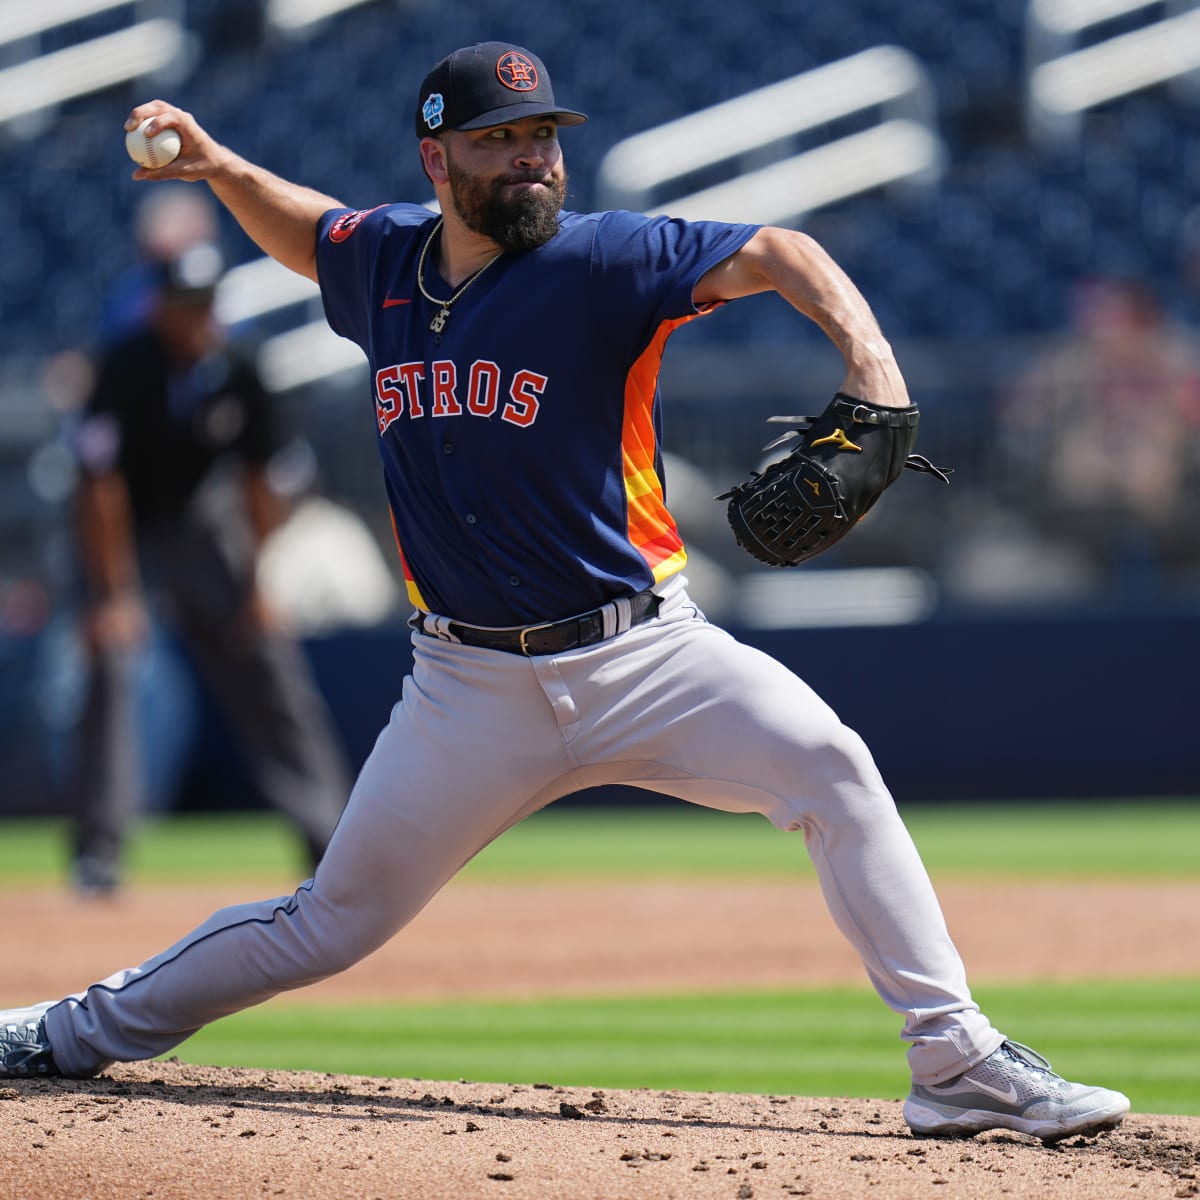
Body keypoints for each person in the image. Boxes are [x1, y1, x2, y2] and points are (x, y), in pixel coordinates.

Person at [0, 42, 1130, 1142]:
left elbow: (781, 249)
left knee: (832, 768)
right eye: (503, 140)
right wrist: (218, 168)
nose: (536, 158)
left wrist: (870, 361)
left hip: (645, 656)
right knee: (327, 924)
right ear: (437, 161)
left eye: (546, 135)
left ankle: (956, 1061)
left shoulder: (605, 262)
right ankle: (70, 1031)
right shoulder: (385, 263)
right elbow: (307, 229)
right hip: (466, 686)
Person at [65, 240, 351, 895]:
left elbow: (259, 483)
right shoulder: (125, 365)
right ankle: (99, 853)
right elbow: (99, 487)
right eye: (184, 307)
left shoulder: (241, 367)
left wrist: (259, 586)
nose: (197, 321)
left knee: (268, 659)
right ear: (159, 309)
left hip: (202, 521)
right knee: (110, 665)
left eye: (205, 307)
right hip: (123, 524)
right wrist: (113, 595)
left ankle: (330, 840)